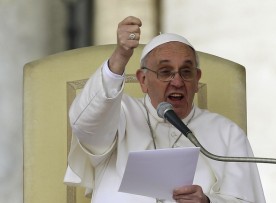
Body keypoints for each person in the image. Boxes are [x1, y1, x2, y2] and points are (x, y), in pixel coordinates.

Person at [64, 16, 265, 203]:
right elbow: (84, 125)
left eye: (186, 72)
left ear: (197, 80)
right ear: (143, 80)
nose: (177, 81)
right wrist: (120, 56)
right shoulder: (119, 113)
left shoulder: (227, 133)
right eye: (165, 72)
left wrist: (208, 202)